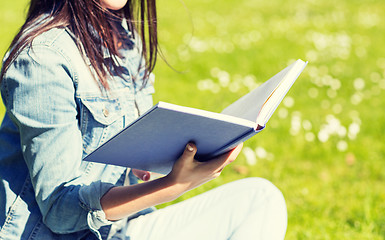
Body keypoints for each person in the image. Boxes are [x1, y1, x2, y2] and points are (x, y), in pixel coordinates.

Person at [0, 0, 287, 239]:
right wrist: (173, 185)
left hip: (121, 230)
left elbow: (131, 151)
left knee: (260, 199)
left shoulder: (124, 37)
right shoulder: (43, 58)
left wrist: (159, 158)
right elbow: (59, 210)